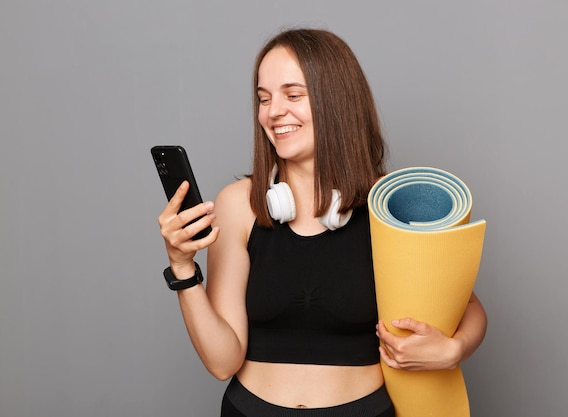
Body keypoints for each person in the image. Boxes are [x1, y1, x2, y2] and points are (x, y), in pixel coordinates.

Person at [158, 28, 487, 417]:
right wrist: (182, 268)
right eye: (264, 99)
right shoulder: (238, 205)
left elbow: (466, 306)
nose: (272, 111)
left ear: (337, 102)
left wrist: (454, 350)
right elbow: (222, 362)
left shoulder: (388, 204)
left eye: (293, 95)